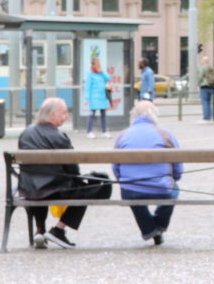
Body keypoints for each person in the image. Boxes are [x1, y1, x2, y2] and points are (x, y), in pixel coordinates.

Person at [18, 97, 112, 249]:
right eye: (64, 113)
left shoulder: (26, 134)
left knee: (38, 184)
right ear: (52, 115)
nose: (66, 116)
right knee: (90, 189)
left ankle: (40, 230)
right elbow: (73, 170)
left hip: (29, 189)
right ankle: (59, 229)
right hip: (55, 190)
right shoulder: (58, 136)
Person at [112, 100, 182, 245]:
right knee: (173, 191)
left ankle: (149, 229)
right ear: (154, 115)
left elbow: (115, 167)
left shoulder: (122, 135)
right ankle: (159, 226)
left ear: (133, 115)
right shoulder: (165, 134)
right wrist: (175, 178)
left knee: (132, 191)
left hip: (130, 189)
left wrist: (123, 180)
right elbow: (178, 166)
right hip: (160, 188)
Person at [84, 55, 111, 138]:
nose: (99, 65)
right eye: (97, 64)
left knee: (103, 114)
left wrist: (102, 72)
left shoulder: (101, 73)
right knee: (92, 115)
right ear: (93, 65)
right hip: (94, 98)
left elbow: (108, 78)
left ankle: (104, 131)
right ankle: (89, 131)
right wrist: (87, 98)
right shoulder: (90, 74)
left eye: (99, 63)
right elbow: (87, 87)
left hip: (102, 97)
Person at [198, 54, 214, 122]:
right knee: (209, 102)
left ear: (203, 61)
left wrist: (199, 84)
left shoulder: (203, 67)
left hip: (204, 86)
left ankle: (206, 117)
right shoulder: (212, 67)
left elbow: (200, 76)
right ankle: (210, 116)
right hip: (212, 86)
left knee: (205, 102)